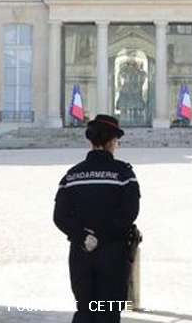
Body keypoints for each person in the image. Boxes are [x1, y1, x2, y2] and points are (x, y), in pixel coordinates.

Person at [53, 114, 141, 323]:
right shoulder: (123, 174)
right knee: (108, 312)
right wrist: (102, 235)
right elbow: (130, 212)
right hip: (112, 253)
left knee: (85, 310)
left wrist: (84, 236)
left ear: (91, 141)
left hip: (81, 254)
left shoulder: (72, 175)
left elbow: (60, 217)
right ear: (112, 141)